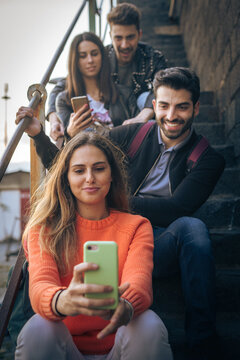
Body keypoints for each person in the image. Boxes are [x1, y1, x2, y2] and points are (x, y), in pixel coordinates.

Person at [16, 67, 225, 359]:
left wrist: (109, 201)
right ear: (154, 106)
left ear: (197, 107)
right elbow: (78, 161)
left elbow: (178, 208)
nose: (172, 115)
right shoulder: (135, 134)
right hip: (112, 221)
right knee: (37, 268)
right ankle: (42, 320)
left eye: (182, 106)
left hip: (157, 236)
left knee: (193, 229)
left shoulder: (208, 158)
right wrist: (40, 136)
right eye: (164, 105)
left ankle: (202, 341)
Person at [14, 132, 173, 360]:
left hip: (120, 346)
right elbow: (40, 286)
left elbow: (139, 282)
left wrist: (125, 306)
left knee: (147, 324)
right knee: (39, 328)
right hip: (65, 346)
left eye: (99, 169)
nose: (90, 178)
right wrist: (62, 300)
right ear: (66, 178)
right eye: (79, 170)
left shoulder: (137, 226)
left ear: (112, 176)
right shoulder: (44, 229)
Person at [48, 2, 167, 140]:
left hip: (143, 112)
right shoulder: (101, 56)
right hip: (118, 116)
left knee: (146, 98)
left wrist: (142, 117)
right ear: (110, 35)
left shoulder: (153, 58)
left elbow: (165, 88)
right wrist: (53, 118)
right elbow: (65, 84)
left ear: (139, 34)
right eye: (118, 38)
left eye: (130, 37)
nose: (124, 45)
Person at [55, 32, 140, 139]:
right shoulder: (64, 100)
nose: (90, 60)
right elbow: (67, 146)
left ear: (102, 56)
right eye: (83, 56)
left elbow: (138, 131)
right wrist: (70, 133)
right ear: (75, 61)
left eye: (94, 54)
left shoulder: (125, 93)